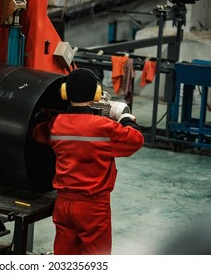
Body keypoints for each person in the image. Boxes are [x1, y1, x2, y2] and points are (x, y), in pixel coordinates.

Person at [33, 68, 144, 255]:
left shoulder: (57, 124)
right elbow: (135, 140)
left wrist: (43, 115)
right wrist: (126, 119)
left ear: (65, 92)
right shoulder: (104, 127)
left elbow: (38, 133)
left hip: (64, 205)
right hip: (92, 207)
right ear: (96, 94)